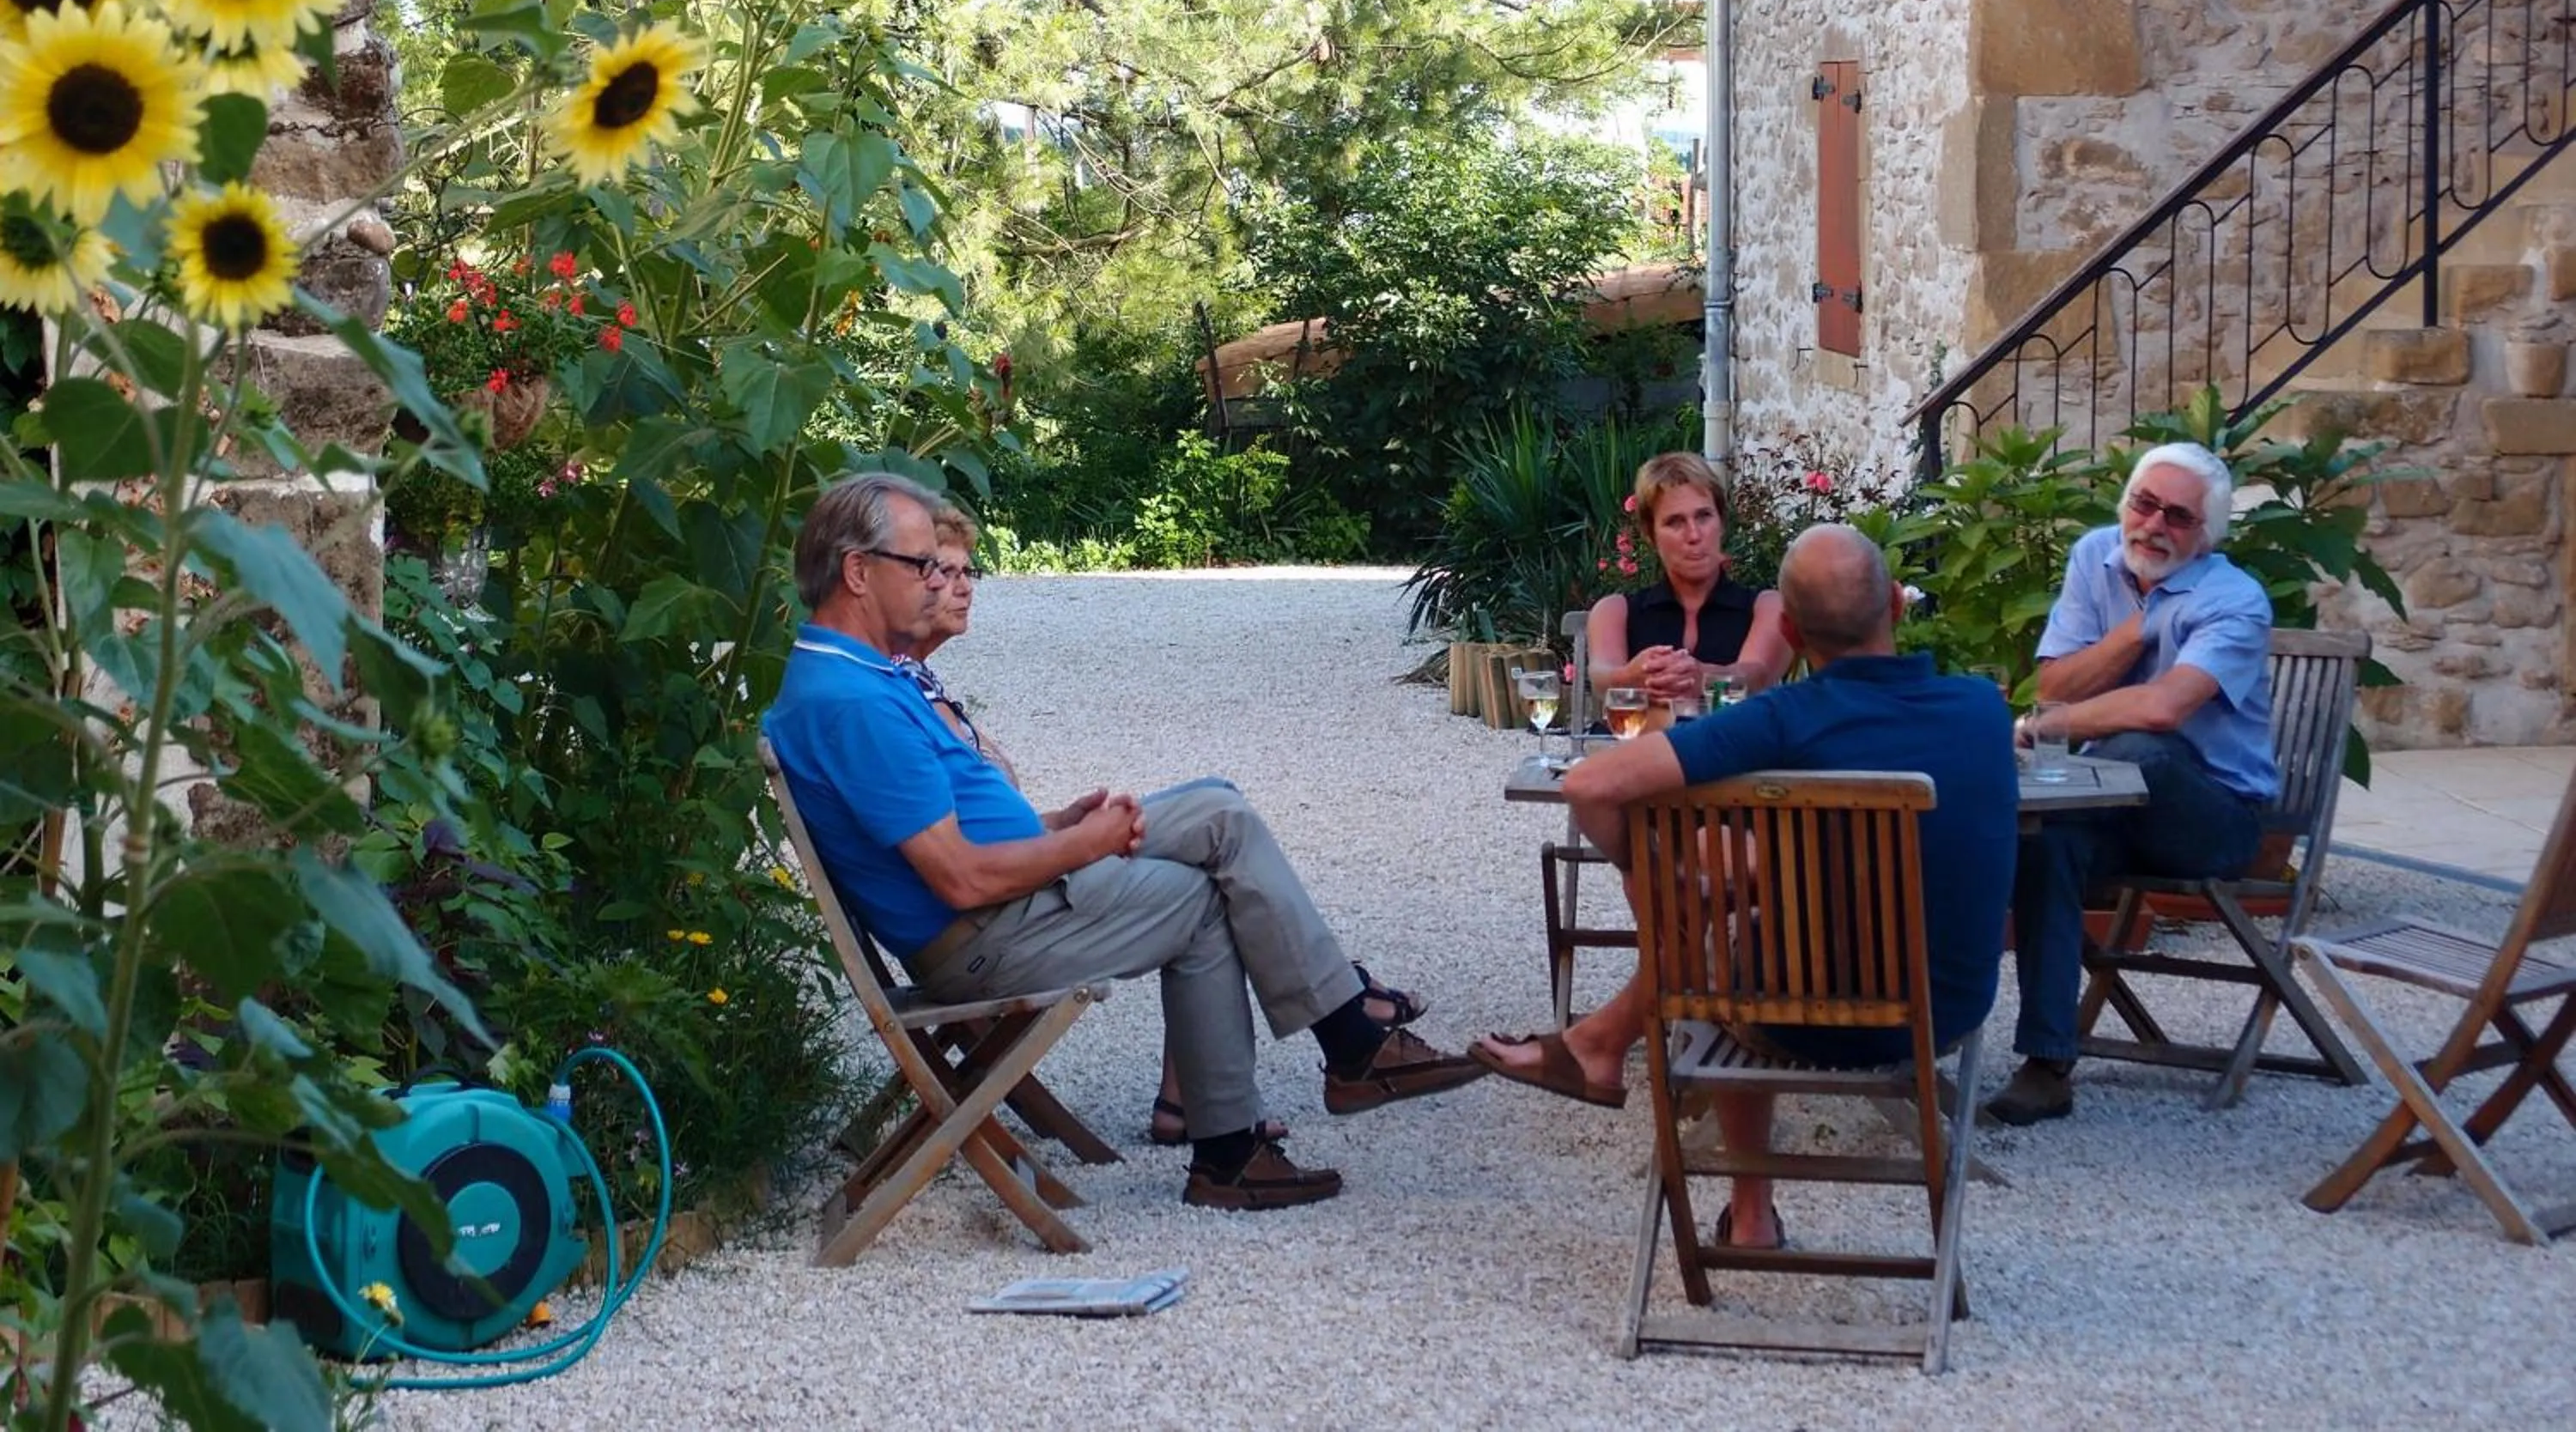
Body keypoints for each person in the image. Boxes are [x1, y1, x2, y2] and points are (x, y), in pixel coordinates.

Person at [766, 471, 1483, 1211]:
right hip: (989, 933)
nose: (934, 581)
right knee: (1209, 888)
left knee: (1217, 810)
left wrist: (1055, 825)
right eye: (919, 565)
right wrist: (1089, 845)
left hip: (1014, 897)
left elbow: (933, 828)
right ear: (858, 571)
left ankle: (1297, 1091)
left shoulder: (852, 676)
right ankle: (1297, 1088)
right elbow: (960, 880)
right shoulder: (852, 703)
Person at [1475, 525, 2018, 1247]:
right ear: (1896, 603)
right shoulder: (1983, 709)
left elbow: (1592, 783)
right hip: (1940, 1012)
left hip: (1787, 1015)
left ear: (1790, 629)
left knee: (1711, 941)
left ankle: (1750, 1210)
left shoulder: (1781, 721)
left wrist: (1666, 887)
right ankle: (1598, 1046)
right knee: (1748, 902)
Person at [890, 502, 1421, 1150]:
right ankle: (1345, 1027)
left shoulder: (916, 685)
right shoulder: (890, 697)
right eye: (939, 569)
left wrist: (1063, 820)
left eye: (967, 570)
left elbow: (968, 819)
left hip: (1026, 867)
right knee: (1221, 827)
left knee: (1219, 806)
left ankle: (1292, 1057)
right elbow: (959, 856)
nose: (960, 584)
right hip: (1007, 904)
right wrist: (1075, 840)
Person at [1984, 440, 2276, 1127]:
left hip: (2213, 816)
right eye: (2144, 504)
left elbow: (2163, 708)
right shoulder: (2097, 557)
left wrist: (2040, 728)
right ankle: (2048, 1063)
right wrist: (2140, 627)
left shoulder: (2235, 600)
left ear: (2205, 536)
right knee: (2044, 841)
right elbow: (2055, 680)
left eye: (2177, 517)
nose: (2153, 526)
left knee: (2143, 747)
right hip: (2108, 804)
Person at [1585, 452, 1793, 717]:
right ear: (1650, 535)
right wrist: (1633, 676)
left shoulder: (1766, 607)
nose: (1694, 535)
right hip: (1640, 752)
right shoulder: (1616, 611)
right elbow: (1603, 678)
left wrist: (1701, 678)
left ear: (1722, 522)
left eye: (1704, 516)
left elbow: (1756, 675)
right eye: (1675, 522)